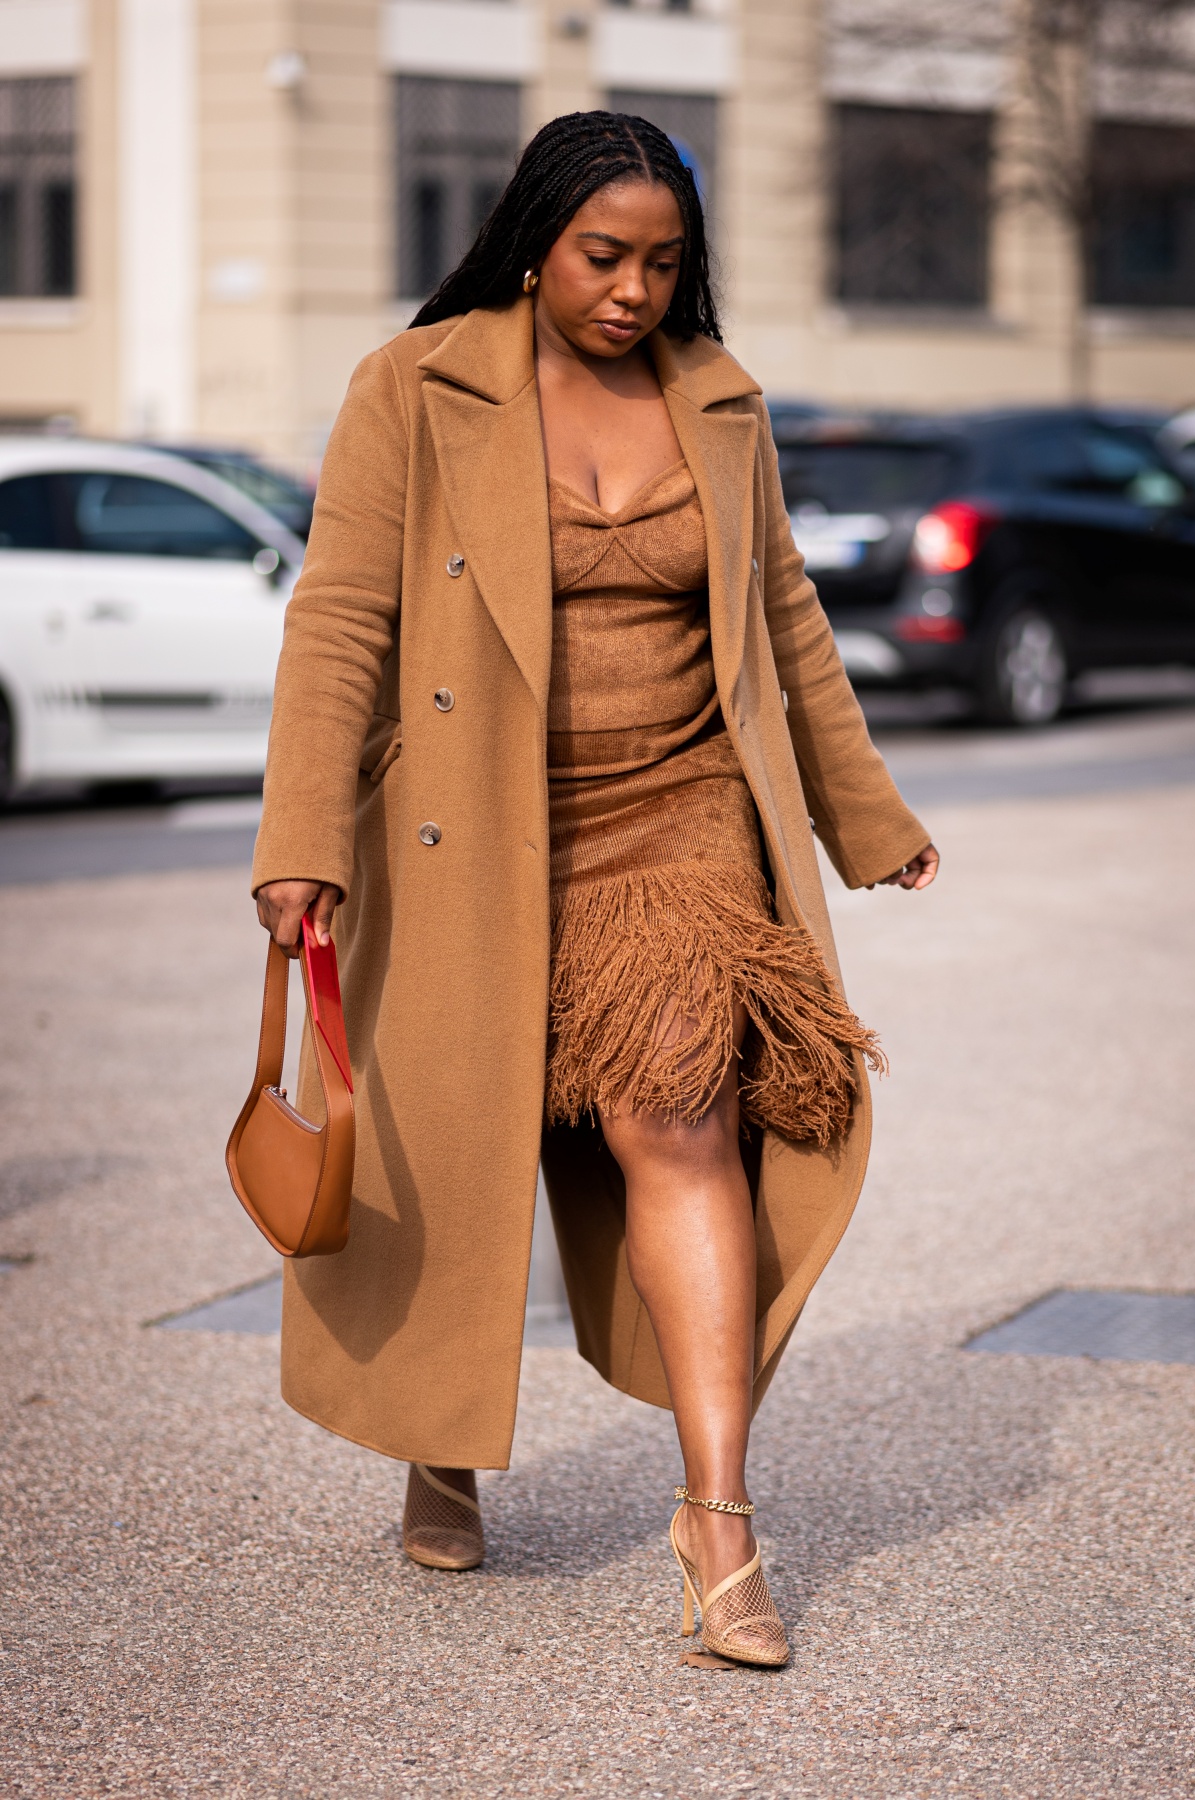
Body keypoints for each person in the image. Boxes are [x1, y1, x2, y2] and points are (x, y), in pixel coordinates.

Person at [251, 111, 938, 1669]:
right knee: (463, 1144)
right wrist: (299, 837)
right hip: (467, 827)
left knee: (679, 1122)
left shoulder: (722, 405)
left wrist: (866, 815)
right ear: (533, 241)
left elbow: (785, 621)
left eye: (664, 262)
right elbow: (340, 620)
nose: (632, 291)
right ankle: (444, 1436)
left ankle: (719, 1521)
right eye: (604, 256)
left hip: (676, 816)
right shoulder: (412, 390)